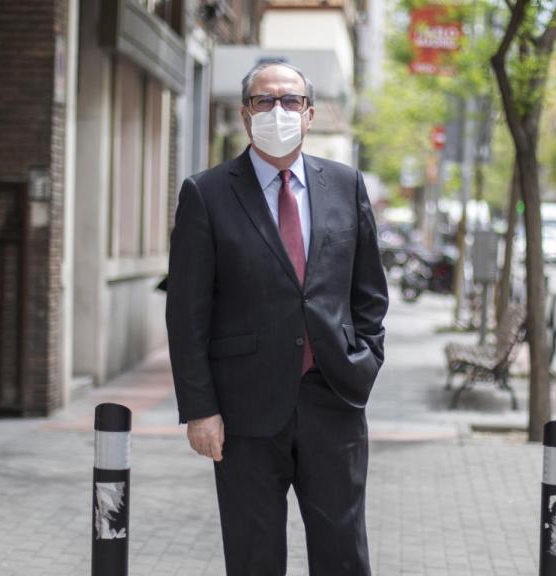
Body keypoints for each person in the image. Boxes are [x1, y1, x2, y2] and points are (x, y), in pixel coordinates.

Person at [165, 61, 388, 575]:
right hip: (244, 413)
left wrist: (365, 361)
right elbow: (187, 314)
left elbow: (369, 292)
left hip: (333, 400)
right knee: (253, 557)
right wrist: (200, 409)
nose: (278, 111)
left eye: (290, 101)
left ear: (309, 114)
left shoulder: (345, 185)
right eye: (265, 101)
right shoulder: (207, 193)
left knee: (343, 555)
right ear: (246, 115)